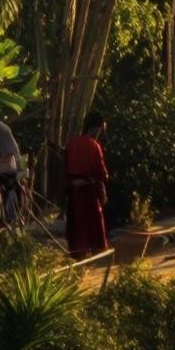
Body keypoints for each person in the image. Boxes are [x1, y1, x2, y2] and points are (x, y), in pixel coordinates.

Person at [63, 111, 111, 259]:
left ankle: (78, 256)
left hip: (74, 193)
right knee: (92, 229)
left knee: (77, 228)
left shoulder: (71, 144)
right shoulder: (94, 146)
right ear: (97, 129)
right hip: (89, 193)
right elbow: (101, 173)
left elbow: (65, 170)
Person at [0, 113, 24, 225]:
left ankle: (9, 223)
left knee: (8, 202)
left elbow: (15, 155)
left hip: (6, 174)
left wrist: (23, 176)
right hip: (2, 172)